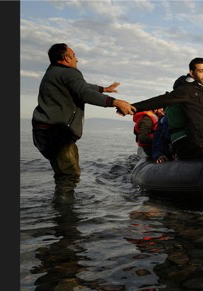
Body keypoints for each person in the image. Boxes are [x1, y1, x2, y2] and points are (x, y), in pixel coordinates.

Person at [31, 43, 135, 204]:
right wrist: (116, 102)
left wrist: (103, 89)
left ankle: (61, 210)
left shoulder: (52, 73)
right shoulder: (70, 73)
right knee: (68, 177)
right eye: (74, 56)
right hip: (58, 134)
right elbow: (84, 92)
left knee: (63, 176)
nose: (76, 59)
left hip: (41, 132)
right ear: (66, 58)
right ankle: (65, 221)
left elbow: (82, 86)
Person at [128, 57, 203, 161]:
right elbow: (160, 100)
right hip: (197, 145)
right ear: (192, 73)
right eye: (201, 71)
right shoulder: (186, 92)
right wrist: (132, 107)